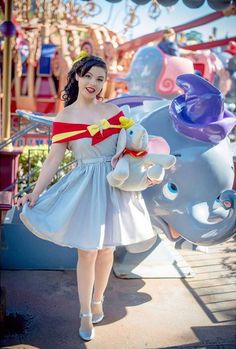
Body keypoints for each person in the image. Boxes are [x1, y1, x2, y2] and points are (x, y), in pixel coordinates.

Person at [17, 51, 156, 341]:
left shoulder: (115, 114)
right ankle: (84, 312)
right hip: (84, 185)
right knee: (88, 251)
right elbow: (53, 159)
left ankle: (98, 300)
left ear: (105, 83)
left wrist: (146, 170)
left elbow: (131, 148)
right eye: (89, 75)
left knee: (107, 250)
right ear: (78, 76)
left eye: (101, 78)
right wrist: (35, 192)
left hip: (112, 185)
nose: (94, 82)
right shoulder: (65, 116)